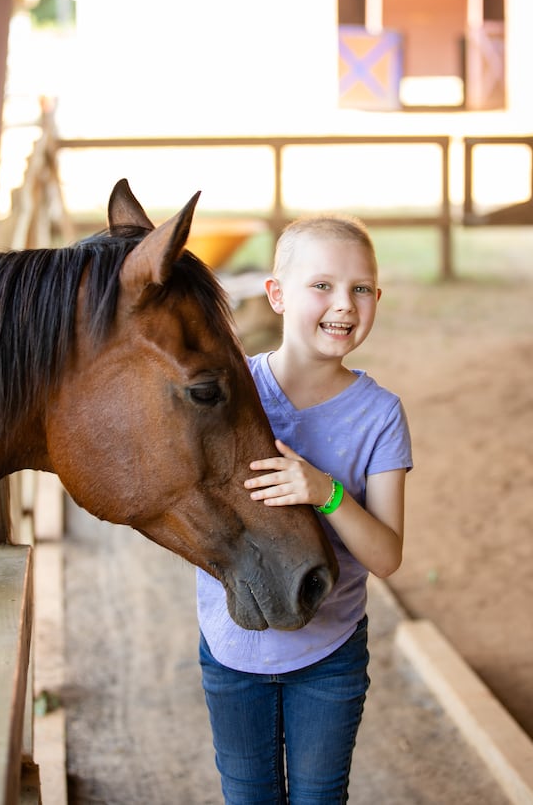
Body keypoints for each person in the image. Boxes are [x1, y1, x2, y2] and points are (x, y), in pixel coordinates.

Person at [196, 213, 413, 804]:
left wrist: (327, 492)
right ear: (276, 295)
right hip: (231, 648)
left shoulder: (380, 415)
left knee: (320, 799)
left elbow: (388, 556)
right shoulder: (226, 394)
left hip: (330, 656)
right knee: (248, 797)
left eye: (361, 288)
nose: (344, 303)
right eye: (322, 285)